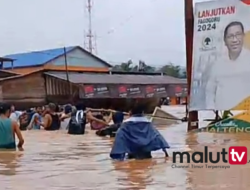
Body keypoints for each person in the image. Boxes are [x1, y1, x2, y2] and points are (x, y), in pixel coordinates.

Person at [206, 21, 250, 110]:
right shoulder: (217, 64)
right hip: (223, 117)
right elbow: (209, 91)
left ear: (243, 37)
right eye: (230, 36)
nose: (234, 40)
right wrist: (211, 109)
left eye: (238, 35)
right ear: (225, 41)